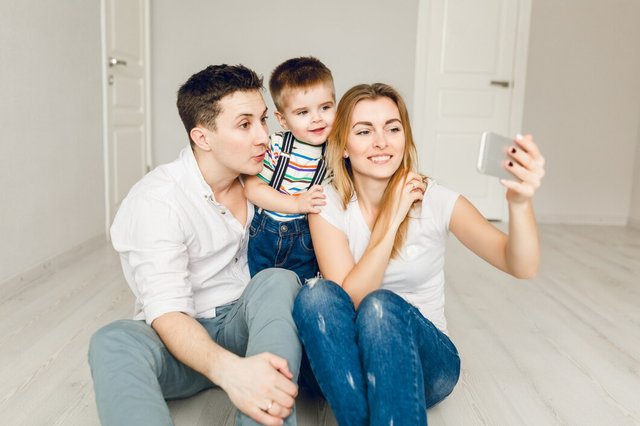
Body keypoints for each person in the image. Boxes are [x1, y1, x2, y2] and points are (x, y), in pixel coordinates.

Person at [293, 83, 546, 425]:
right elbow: (346, 300)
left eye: (393, 128)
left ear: (405, 138)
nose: (382, 141)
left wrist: (520, 202)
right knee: (315, 294)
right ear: (345, 147)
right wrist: (391, 219)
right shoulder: (326, 202)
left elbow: (521, 265)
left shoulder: (437, 200)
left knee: (380, 307)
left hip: (426, 362)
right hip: (347, 363)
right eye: (364, 131)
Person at [88, 64, 302, 426]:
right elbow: (168, 313)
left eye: (263, 120)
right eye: (245, 124)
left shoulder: (267, 179)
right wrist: (230, 372)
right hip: (181, 341)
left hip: (247, 328)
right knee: (111, 339)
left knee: (278, 280)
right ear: (203, 138)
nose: (264, 136)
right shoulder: (157, 201)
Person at [244, 57, 335, 283]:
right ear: (282, 120)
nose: (317, 118)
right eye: (303, 112)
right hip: (265, 237)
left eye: (325, 107)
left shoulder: (336, 152)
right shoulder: (276, 145)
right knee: (260, 292)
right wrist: (296, 204)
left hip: (306, 243)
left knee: (300, 295)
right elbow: (253, 189)